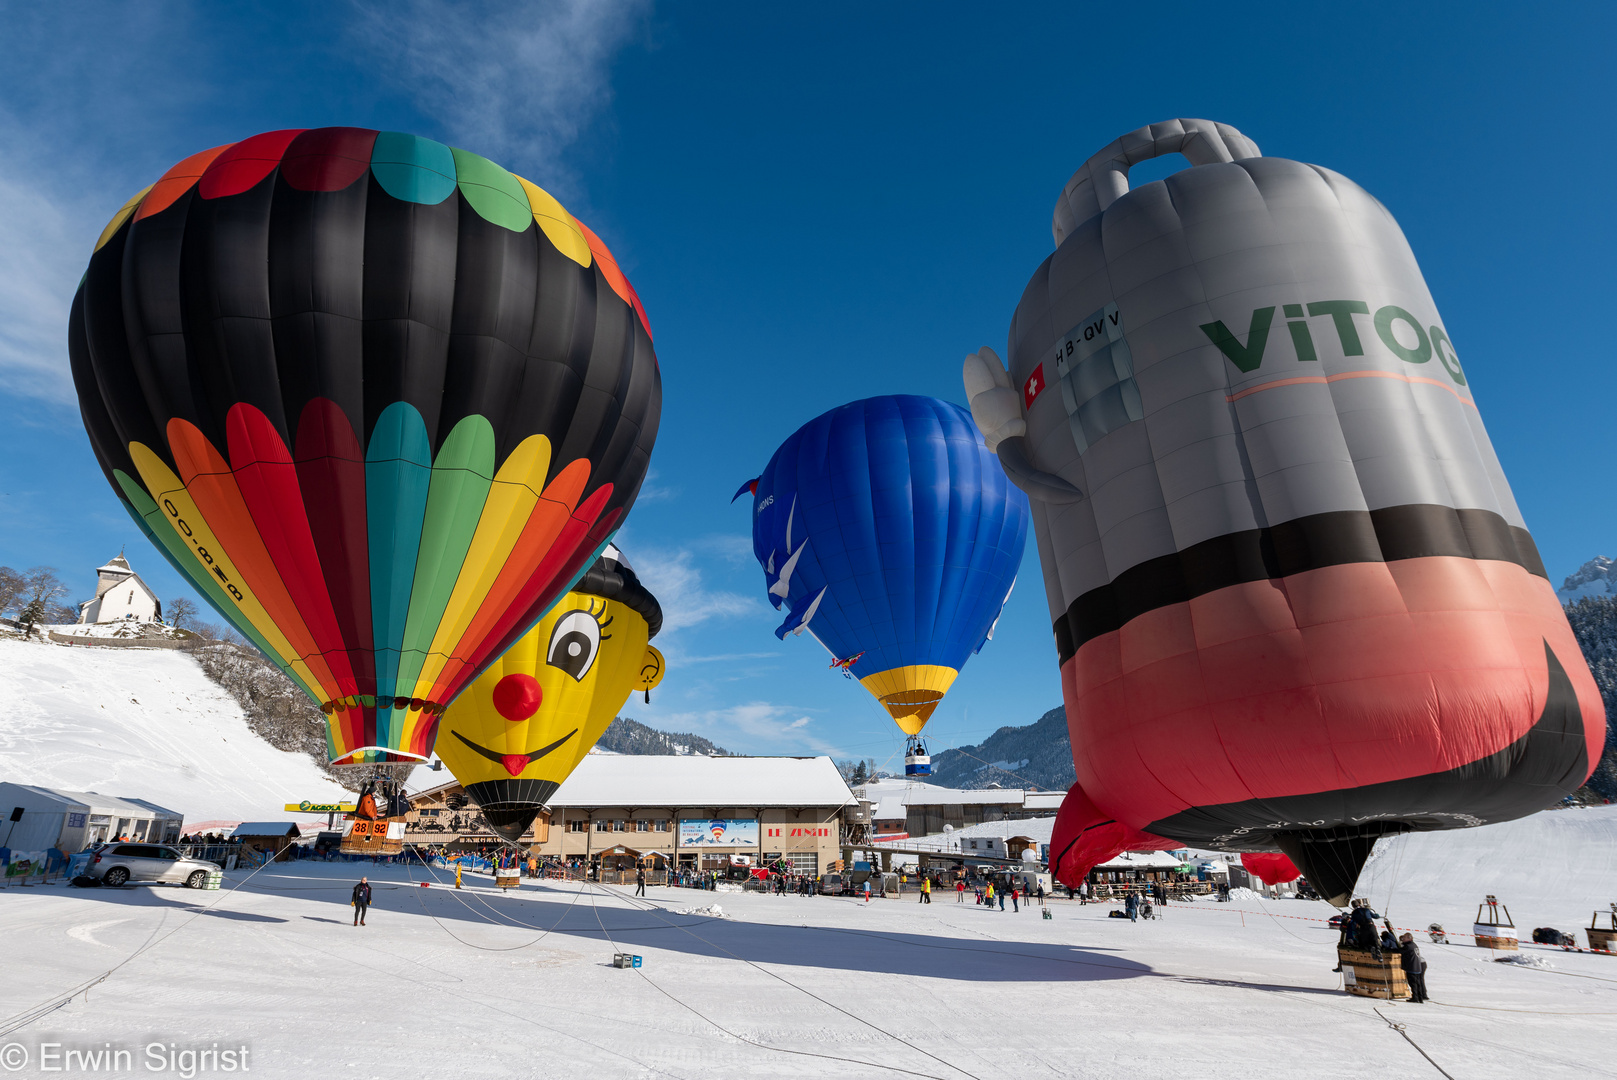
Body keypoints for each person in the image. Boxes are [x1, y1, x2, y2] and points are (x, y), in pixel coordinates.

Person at [1399, 933, 1429, 1003]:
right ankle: (1420, 997)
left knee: (1413, 983)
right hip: (1418, 965)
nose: (1403, 939)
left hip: (1413, 966)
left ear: (1409, 938)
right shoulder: (1413, 944)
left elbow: (1400, 951)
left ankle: (1416, 997)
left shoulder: (1408, 946)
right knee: (1418, 982)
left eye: (1404, 938)